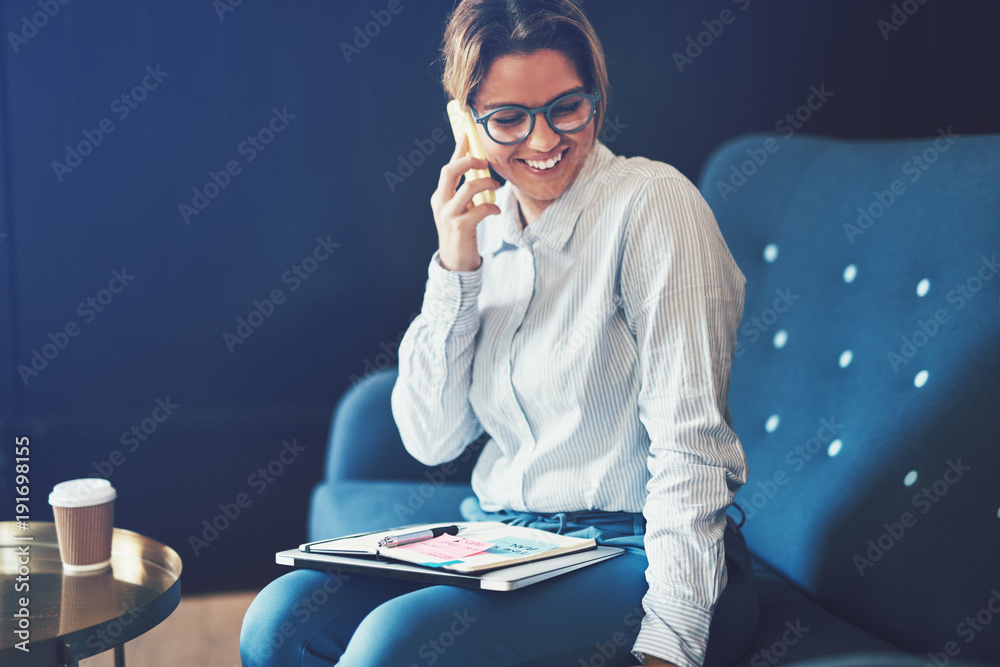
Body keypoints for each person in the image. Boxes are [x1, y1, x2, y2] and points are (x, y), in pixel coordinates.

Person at [240, 1, 757, 665]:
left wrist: (673, 639)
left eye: (567, 107)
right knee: (279, 622)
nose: (543, 142)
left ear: (596, 95)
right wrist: (456, 266)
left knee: (390, 648)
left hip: (637, 550)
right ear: (466, 123)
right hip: (512, 543)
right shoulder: (483, 231)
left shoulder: (653, 205)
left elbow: (692, 445)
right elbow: (432, 439)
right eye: (509, 119)